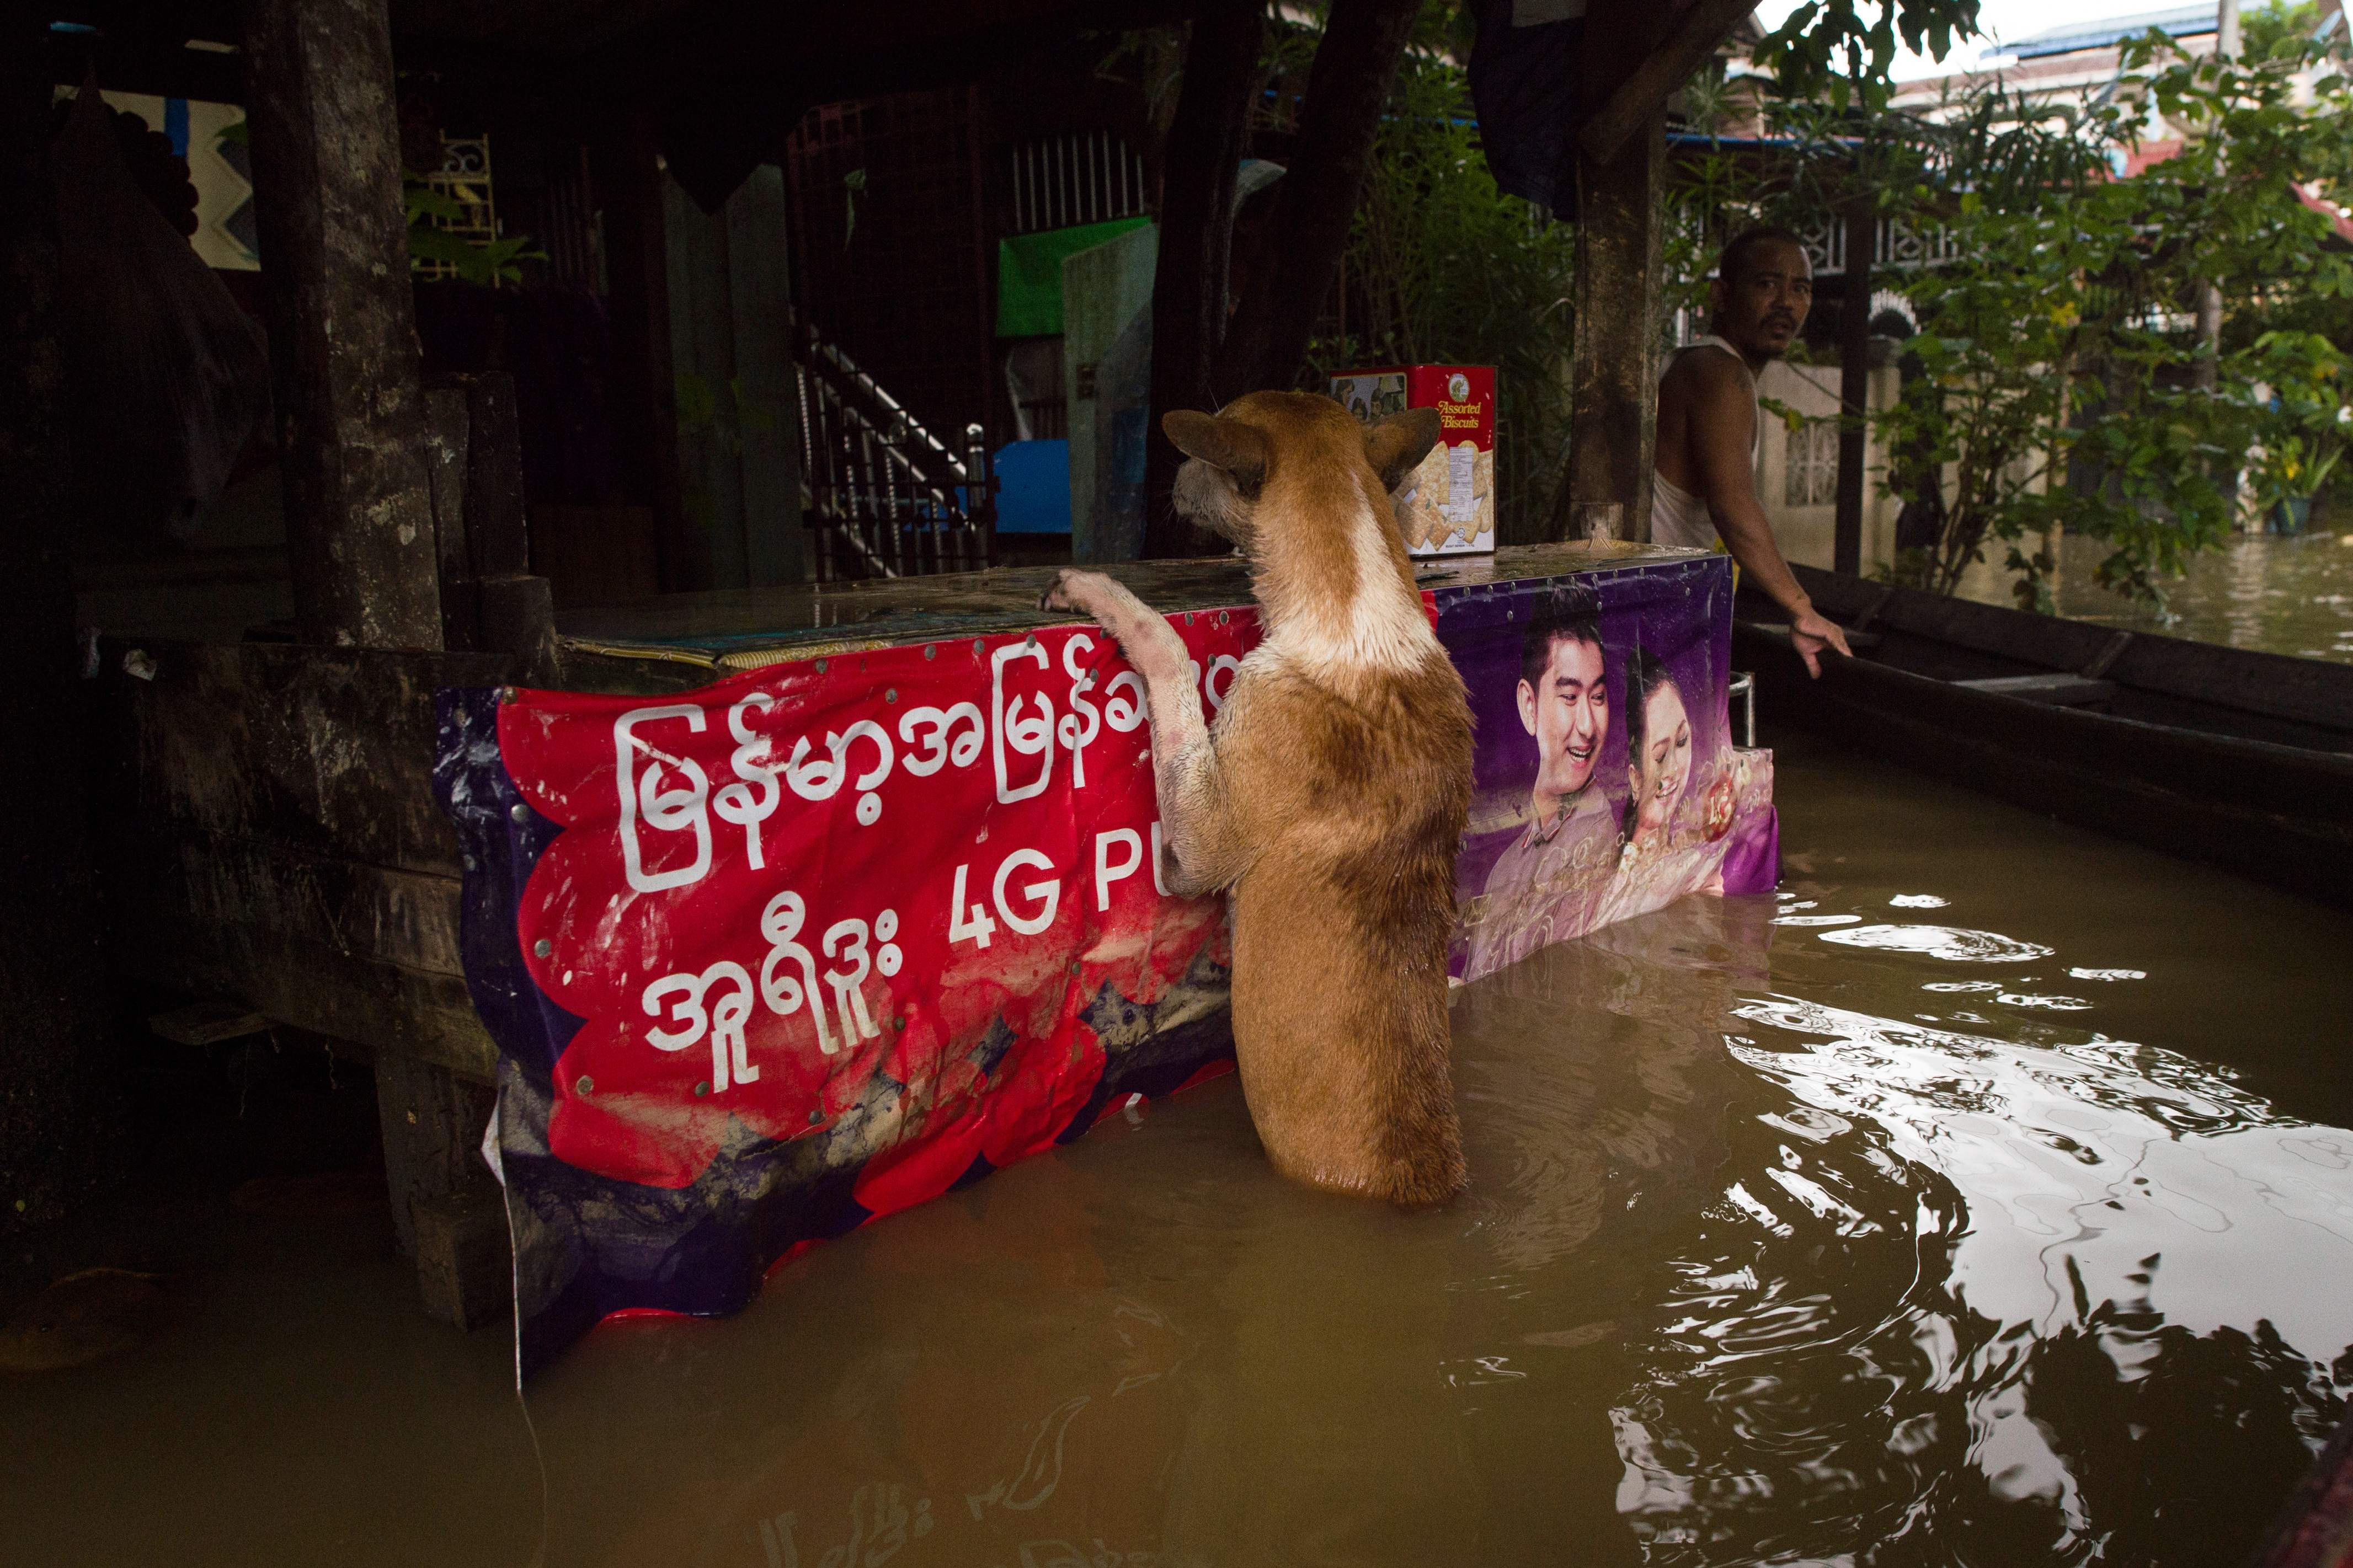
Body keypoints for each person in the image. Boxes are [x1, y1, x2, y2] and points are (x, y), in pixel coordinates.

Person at [1653, 227, 1855, 679]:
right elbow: (1733, 505)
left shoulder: (1703, 366)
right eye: (1767, 284)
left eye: (1800, 288)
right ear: (1721, 295)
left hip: (1668, 608)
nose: (1786, 301)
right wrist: (1799, 607)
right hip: (1653, 614)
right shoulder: (1719, 373)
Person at [1463, 585, 1622, 978]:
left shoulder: (1599, 839)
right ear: (1529, 706)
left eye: (1598, 696)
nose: (1587, 726)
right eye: (1569, 697)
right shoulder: (1503, 870)